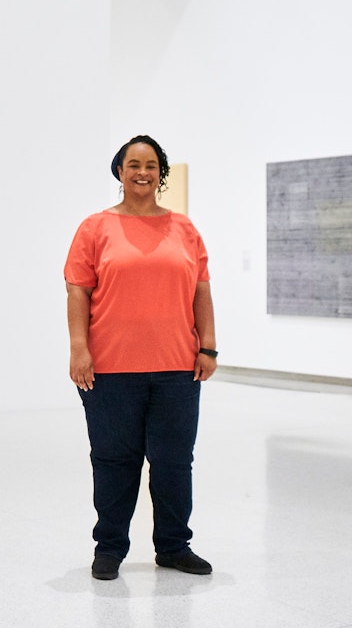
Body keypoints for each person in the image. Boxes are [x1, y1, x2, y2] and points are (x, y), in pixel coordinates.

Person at [64, 135, 218, 581]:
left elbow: (201, 290)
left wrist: (207, 344)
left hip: (176, 367)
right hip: (111, 368)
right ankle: (109, 547)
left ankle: (173, 546)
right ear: (119, 171)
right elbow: (78, 289)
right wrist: (79, 348)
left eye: (151, 165)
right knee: (114, 460)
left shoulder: (184, 229)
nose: (142, 172)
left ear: (161, 173)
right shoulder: (95, 228)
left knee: (174, 461)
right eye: (133, 164)